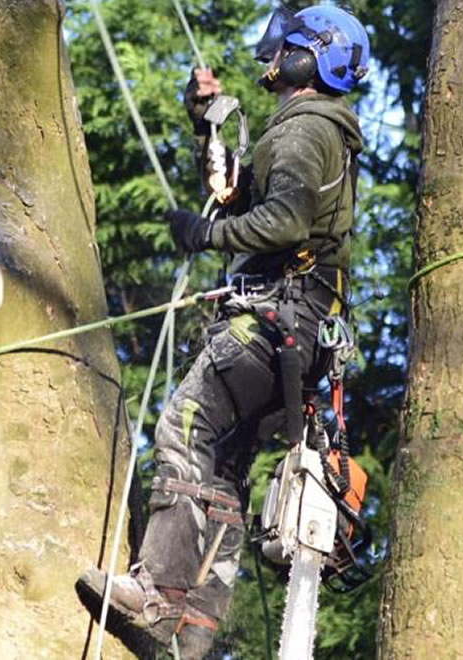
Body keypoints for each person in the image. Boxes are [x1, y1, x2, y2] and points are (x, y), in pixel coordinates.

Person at [76, 5, 369, 659]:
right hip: (297, 338)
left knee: (184, 428)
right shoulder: (322, 132)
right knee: (223, 469)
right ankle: (198, 624)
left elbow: (285, 223)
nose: (270, 58)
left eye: (282, 49)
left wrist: (204, 232)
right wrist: (204, 124)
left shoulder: (303, 130)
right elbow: (249, 199)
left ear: (307, 58)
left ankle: (155, 596)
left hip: (268, 326)